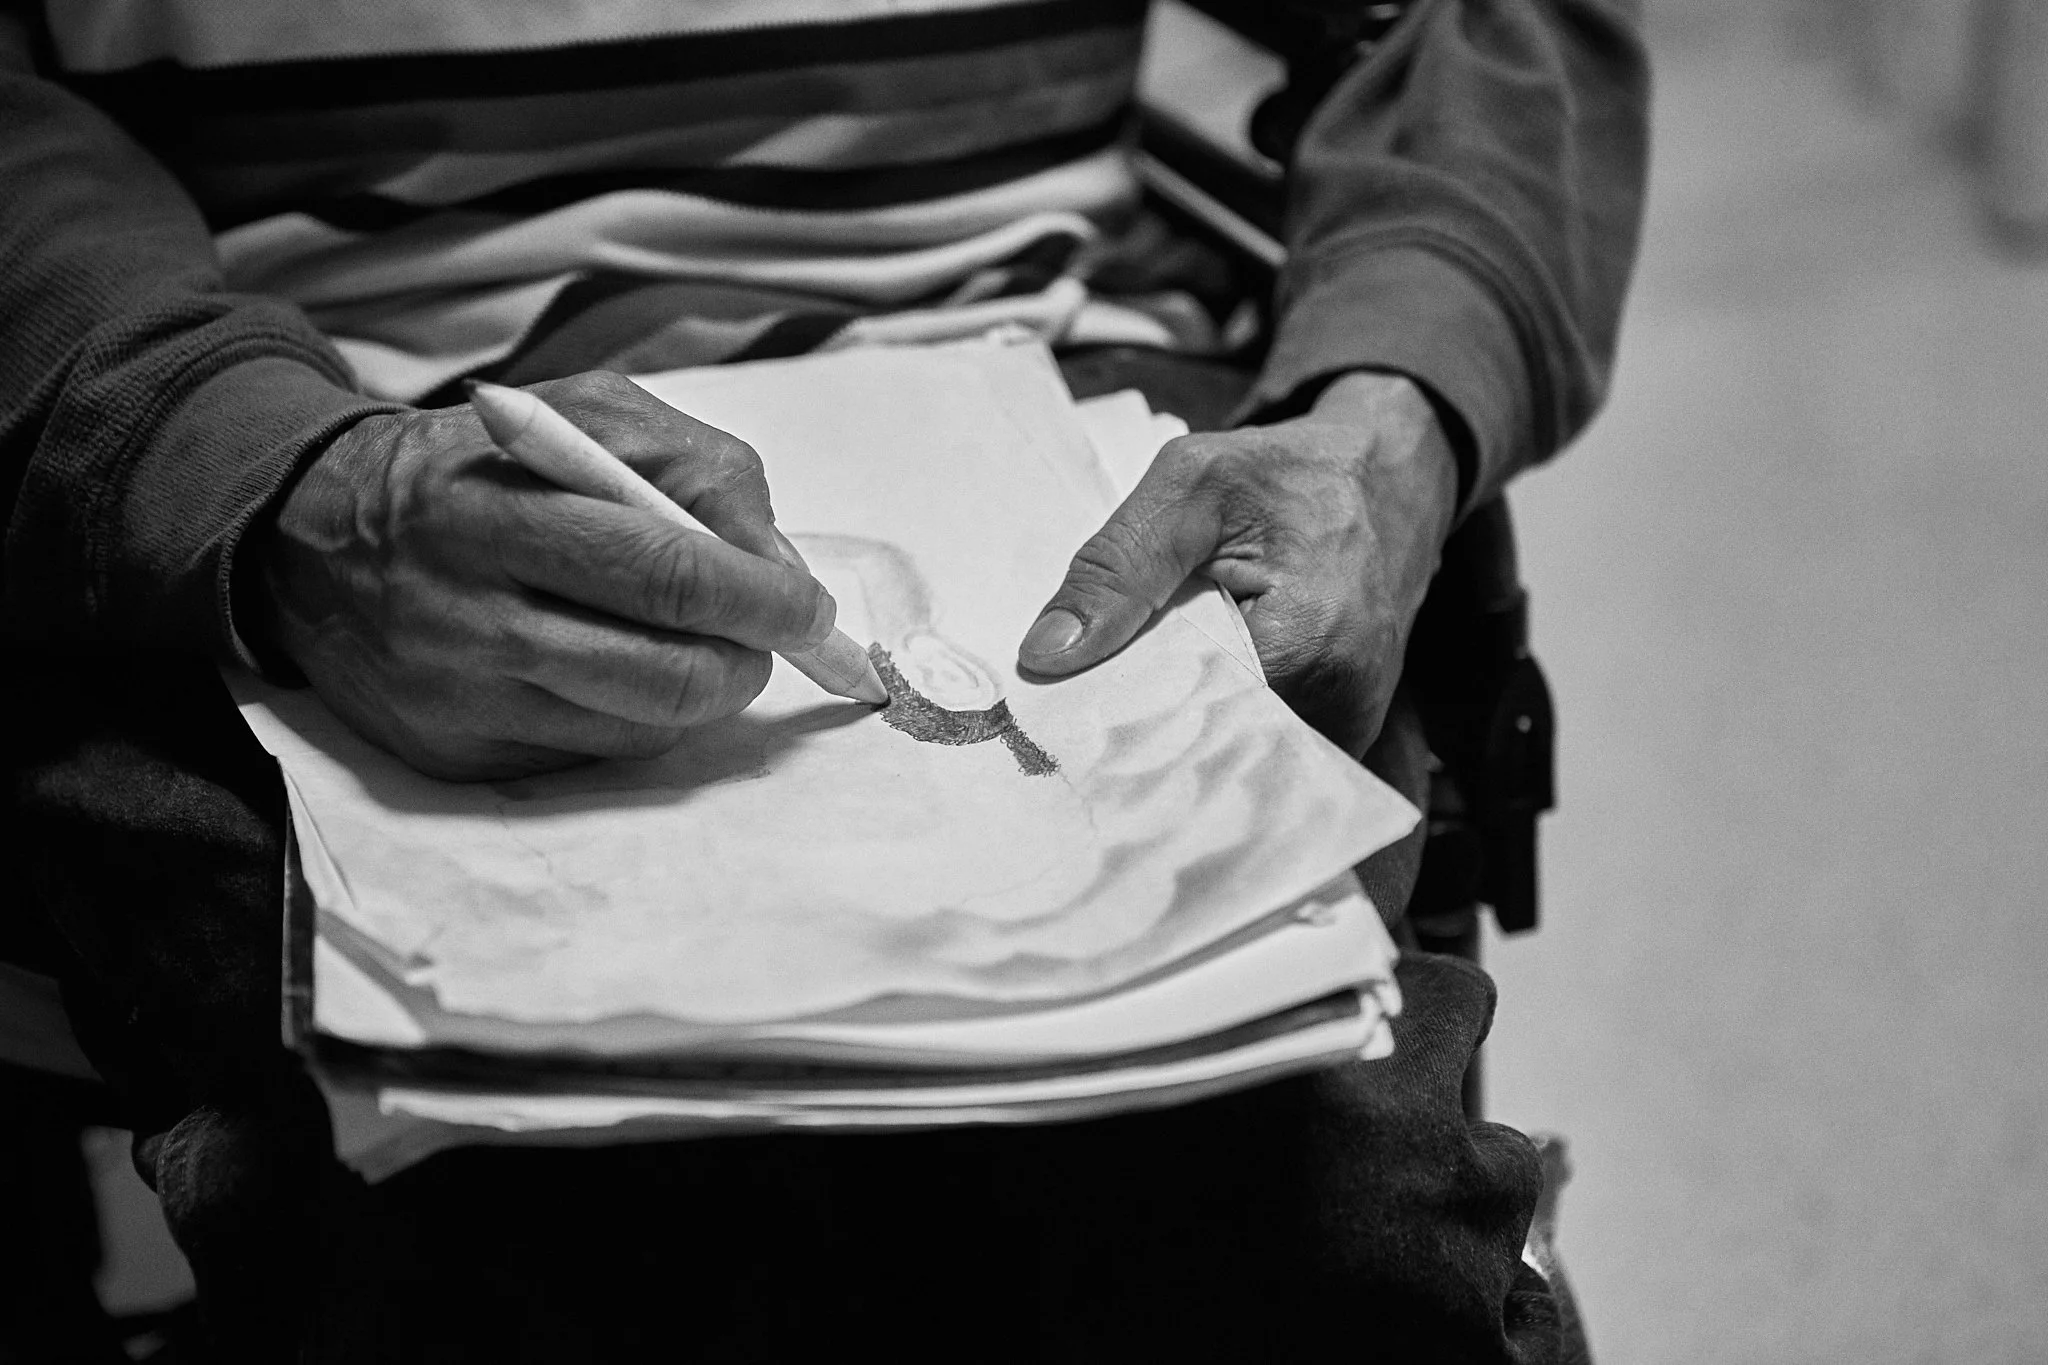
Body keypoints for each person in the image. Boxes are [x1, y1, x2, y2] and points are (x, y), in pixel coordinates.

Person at [0, 1, 1648, 1359]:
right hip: (307, 447)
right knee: (473, 1239)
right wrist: (262, 481)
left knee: (1312, 1244)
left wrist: (1395, 415)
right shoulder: (284, 485)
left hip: (1050, 378)